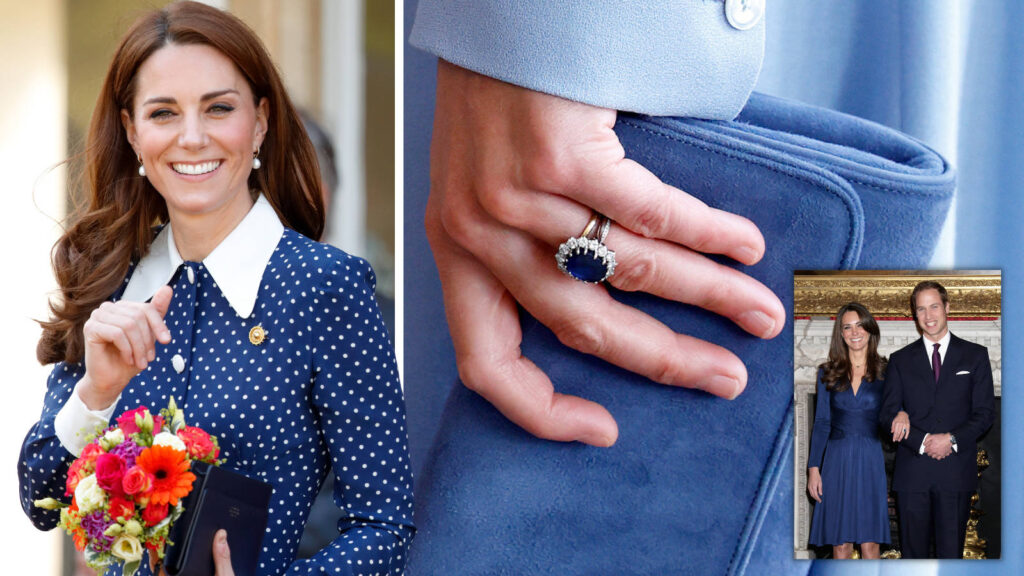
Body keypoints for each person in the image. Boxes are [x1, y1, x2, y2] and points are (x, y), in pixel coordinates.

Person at [17, 3, 414, 575]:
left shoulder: (325, 287)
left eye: (218, 108)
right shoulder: (110, 284)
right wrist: (96, 394)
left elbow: (385, 526)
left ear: (260, 121)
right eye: (163, 113)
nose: (193, 137)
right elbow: (38, 500)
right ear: (132, 132)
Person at [879, 280, 995, 558]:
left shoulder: (976, 355)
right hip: (912, 475)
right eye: (921, 309)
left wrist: (951, 440)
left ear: (947, 308)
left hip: (955, 473)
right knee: (913, 558)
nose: (928, 316)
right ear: (914, 314)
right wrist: (921, 439)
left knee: (950, 557)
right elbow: (886, 415)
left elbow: (985, 414)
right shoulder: (899, 360)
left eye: (934, 307)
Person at [806, 303, 892, 558]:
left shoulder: (887, 372)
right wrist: (813, 470)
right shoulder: (827, 372)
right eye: (847, 327)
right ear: (841, 334)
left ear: (870, 329)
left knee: (870, 543)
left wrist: (902, 416)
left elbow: (898, 411)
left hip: (869, 458)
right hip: (836, 460)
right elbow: (821, 423)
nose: (855, 332)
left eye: (860, 325)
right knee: (840, 544)